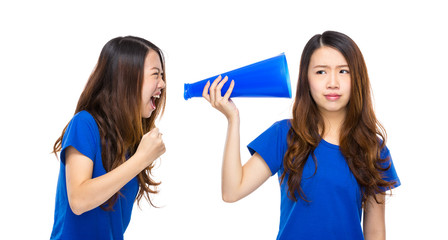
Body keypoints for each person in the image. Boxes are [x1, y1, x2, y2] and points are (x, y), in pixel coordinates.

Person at [202, 31, 400, 240]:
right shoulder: (284, 135)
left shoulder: (373, 149)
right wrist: (233, 119)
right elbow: (232, 192)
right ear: (306, 78)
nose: (332, 82)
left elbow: (375, 231)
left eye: (344, 71)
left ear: (357, 77)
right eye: (321, 72)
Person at [50, 36, 166, 240]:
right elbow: (78, 200)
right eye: (155, 75)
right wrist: (141, 159)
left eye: (162, 75)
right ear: (127, 78)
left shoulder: (131, 140)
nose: (163, 84)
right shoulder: (84, 124)